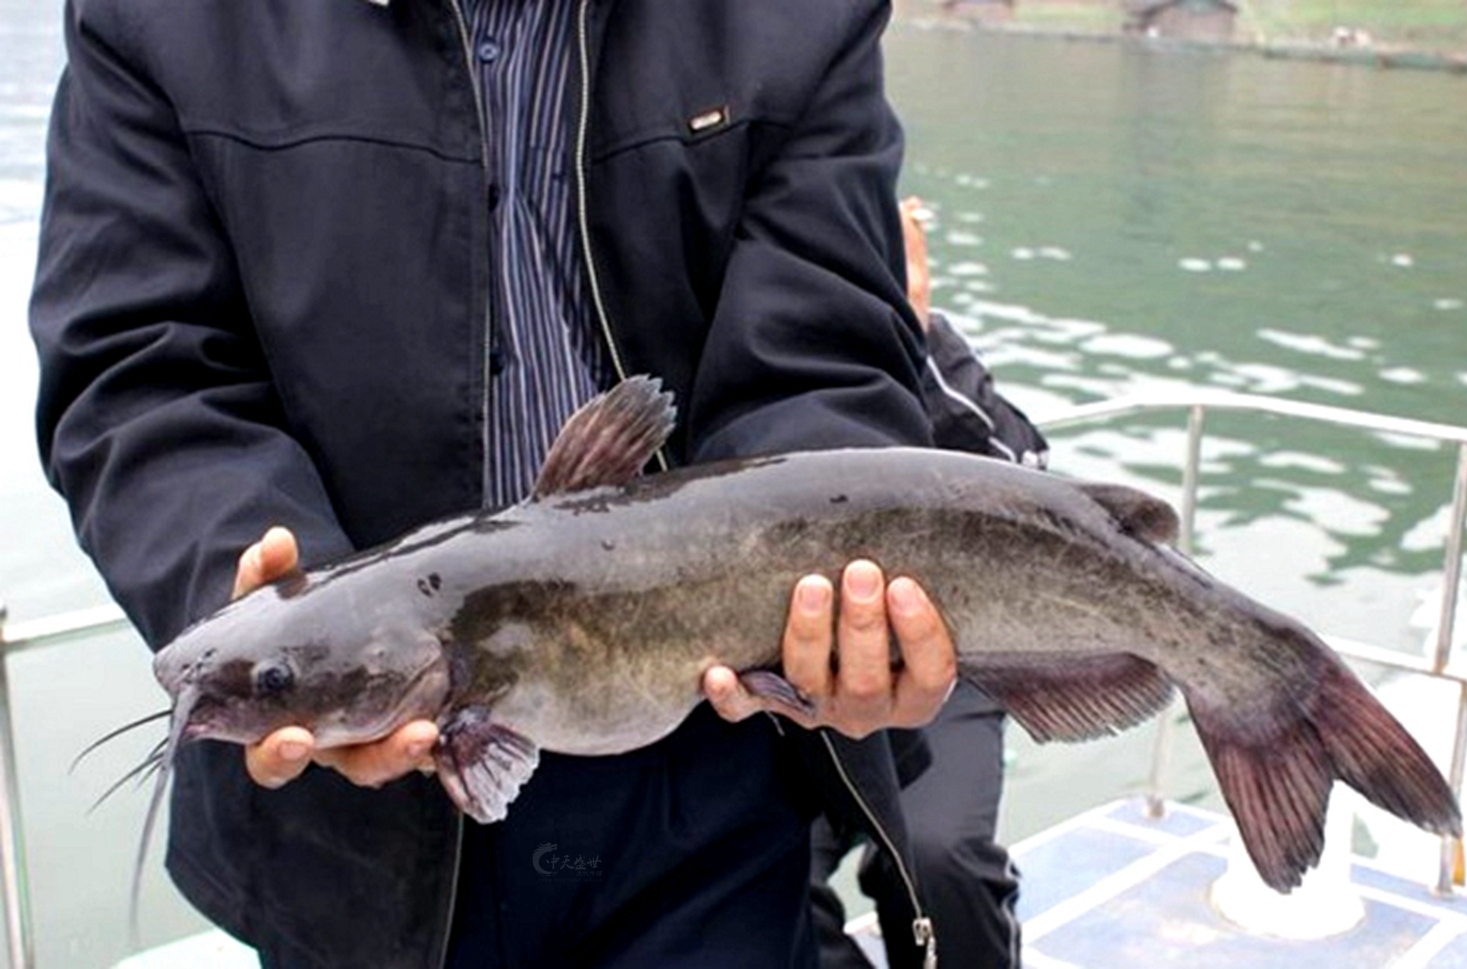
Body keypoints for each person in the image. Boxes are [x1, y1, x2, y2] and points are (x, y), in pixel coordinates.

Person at [31, 2, 956, 967]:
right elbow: (140, 368)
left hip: (714, 760)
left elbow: (821, 364)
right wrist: (246, 576)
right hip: (350, 832)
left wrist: (846, 604)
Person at [808, 198, 1044, 969]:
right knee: (757, 879)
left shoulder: (950, 370)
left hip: (953, 667)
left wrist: (911, 345)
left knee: (941, 856)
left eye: (900, 264)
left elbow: (1030, 486)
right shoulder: (778, 373)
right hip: (799, 681)